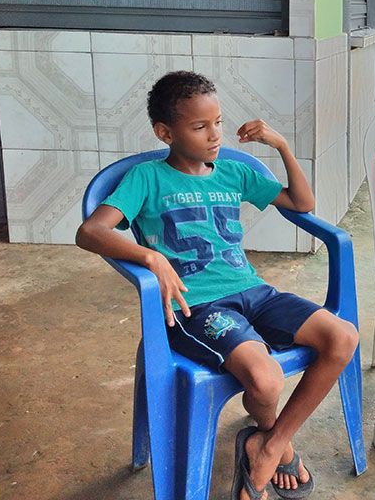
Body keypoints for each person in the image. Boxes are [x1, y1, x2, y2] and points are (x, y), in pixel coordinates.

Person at [76, 71, 358, 500]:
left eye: (219, 122)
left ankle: (268, 445)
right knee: (265, 382)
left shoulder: (232, 172)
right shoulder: (147, 179)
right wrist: (151, 257)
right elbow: (91, 232)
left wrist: (280, 145)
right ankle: (270, 444)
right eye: (199, 126)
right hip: (198, 308)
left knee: (342, 337)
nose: (214, 135)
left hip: (254, 293)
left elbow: (303, 204)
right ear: (165, 132)